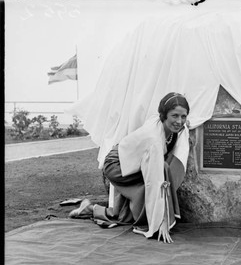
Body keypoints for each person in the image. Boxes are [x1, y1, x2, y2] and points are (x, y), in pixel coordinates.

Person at [68, 92, 190, 243]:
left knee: (130, 210)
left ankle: (90, 209)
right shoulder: (154, 141)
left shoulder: (164, 124)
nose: (179, 121)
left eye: (183, 116)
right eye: (175, 116)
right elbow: (155, 183)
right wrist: (161, 221)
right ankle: (98, 210)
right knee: (156, 179)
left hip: (131, 160)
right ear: (163, 115)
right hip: (117, 165)